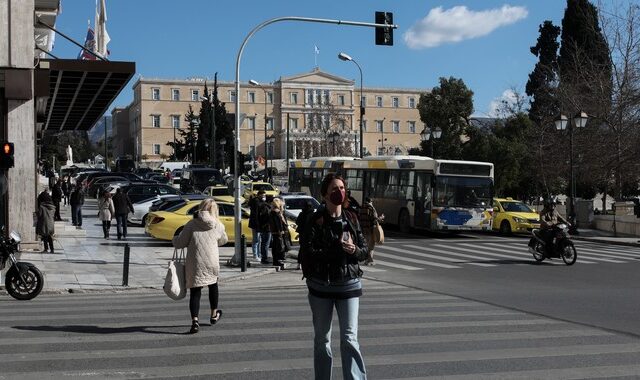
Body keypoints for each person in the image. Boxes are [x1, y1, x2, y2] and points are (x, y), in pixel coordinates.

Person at [304, 173, 368, 380]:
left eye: (341, 188)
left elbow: (365, 251)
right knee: (322, 340)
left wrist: (354, 250)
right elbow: (308, 253)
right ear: (324, 195)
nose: (339, 192)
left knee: (350, 338)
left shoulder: (351, 218)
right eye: (334, 189)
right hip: (320, 286)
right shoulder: (315, 219)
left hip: (348, 284)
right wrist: (335, 250)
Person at [173, 198, 228, 334]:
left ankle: (195, 321)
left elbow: (180, 243)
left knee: (195, 292)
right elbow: (223, 240)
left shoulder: (192, 224)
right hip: (212, 261)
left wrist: (175, 239)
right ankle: (214, 314)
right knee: (213, 285)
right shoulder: (218, 225)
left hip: (195, 261)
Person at [358, 197, 384, 266]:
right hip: (370, 229)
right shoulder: (371, 208)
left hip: (363, 229)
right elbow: (375, 220)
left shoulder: (361, 208)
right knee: (371, 246)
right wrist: (381, 218)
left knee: (366, 245)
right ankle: (370, 260)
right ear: (370, 201)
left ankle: (367, 260)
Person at [268, 197, 289, 270]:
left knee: (276, 246)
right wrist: (280, 231)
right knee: (277, 246)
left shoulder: (273, 212)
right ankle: (276, 261)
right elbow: (278, 223)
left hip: (275, 232)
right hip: (277, 232)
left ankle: (276, 260)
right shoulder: (276, 212)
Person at [295, 201, 315, 270]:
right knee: (311, 248)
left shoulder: (302, 214)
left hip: (302, 234)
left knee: (302, 249)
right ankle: (310, 263)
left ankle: (299, 263)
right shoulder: (313, 214)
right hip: (310, 234)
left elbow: (297, 222)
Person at [248, 191, 266, 260]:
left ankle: (258, 254)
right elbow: (256, 215)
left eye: (264, 196)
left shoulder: (258, 202)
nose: (264, 197)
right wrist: (258, 225)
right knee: (256, 240)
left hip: (258, 224)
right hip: (256, 224)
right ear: (259, 195)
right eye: (263, 195)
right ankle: (255, 255)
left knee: (259, 240)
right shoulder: (256, 202)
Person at [257, 194, 273, 264]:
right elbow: (267, 218)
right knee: (265, 244)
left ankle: (264, 257)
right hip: (267, 228)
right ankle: (264, 258)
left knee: (264, 243)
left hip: (264, 227)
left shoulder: (263, 206)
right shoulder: (266, 208)